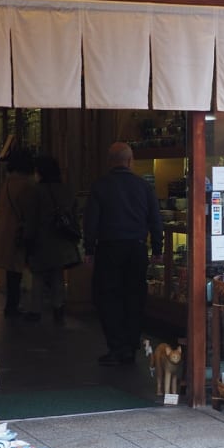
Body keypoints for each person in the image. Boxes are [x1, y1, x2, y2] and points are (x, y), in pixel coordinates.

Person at [83, 142, 163, 366]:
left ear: (110, 162)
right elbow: (156, 220)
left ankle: (116, 346)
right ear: (130, 161)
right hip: (137, 249)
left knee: (107, 297)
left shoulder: (100, 186)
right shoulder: (143, 187)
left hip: (109, 249)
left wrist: (89, 249)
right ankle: (130, 346)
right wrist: (157, 248)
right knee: (135, 297)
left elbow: (91, 221)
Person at [24, 154, 82, 324]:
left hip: (42, 240)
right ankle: (58, 309)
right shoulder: (66, 190)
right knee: (58, 276)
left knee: (39, 276)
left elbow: (31, 219)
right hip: (62, 241)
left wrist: (28, 240)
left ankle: (36, 311)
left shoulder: (36, 192)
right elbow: (74, 214)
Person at [0, 147, 35, 317]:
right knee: (17, 271)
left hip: (6, 233)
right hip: (18, 233)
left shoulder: (7, 183)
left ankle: (12, 305)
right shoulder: (27, 185)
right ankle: (15, 306)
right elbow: (29, 211)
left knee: (12, 272)